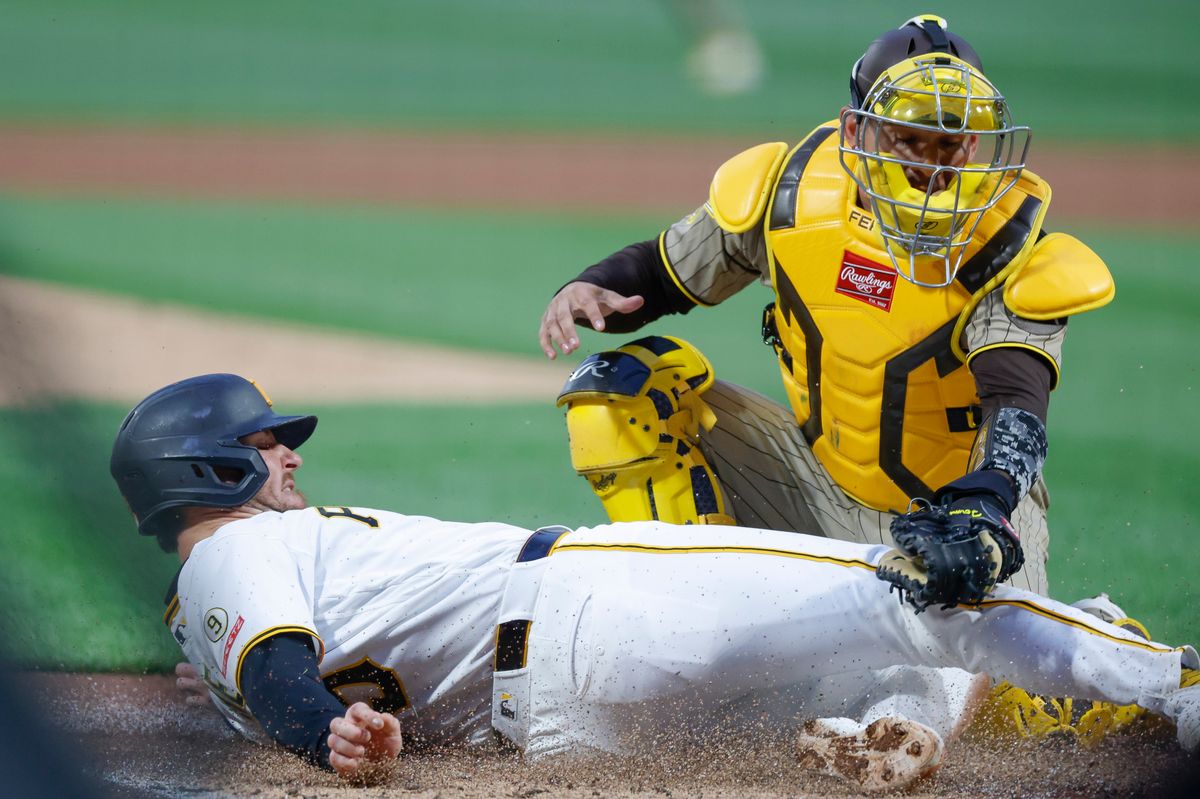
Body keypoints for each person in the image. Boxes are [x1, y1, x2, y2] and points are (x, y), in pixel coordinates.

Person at [110, 373, 1200, 793]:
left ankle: (882, 729)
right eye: (264, 443)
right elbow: (287, 675)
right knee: (917, 587)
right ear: (206, 469)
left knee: (881, 653)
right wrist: (324, 735)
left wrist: (325, 735)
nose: (289, 455)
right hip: (589, 606)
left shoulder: (201, 628)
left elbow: (269, 675)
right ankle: (1173, 683)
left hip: (565, 727)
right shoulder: (234, 552)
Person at [537, 14, 1127, 740]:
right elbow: (664, 270)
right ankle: (719, 646)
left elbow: (1017, 404)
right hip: (813, 483)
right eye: (912, 139)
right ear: (860, 133)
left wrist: (984, 511)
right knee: (619, 398)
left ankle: (1094, 643)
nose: (936, 165)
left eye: (952, 144)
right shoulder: (788, 194)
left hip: (957, 514)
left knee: (1001, 719)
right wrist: (593, 285)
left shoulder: (1008, 243)